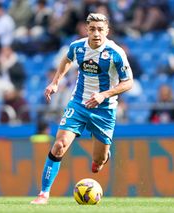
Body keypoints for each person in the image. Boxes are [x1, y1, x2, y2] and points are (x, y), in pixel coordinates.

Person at [31, 13, 133, 204]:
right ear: (87, 30)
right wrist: (55, 83)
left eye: (100, 29)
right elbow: (67, 60)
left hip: (104, 109)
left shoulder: (116, 53)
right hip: (78, 104)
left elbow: (128, 82)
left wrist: (104, 94)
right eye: (92, 29)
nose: (96, 33)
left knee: (99, 161)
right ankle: (43, 194)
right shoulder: (77, 47)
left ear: (107, 31)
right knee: (59, 145)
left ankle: (102, 157)